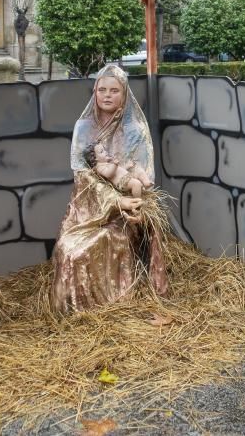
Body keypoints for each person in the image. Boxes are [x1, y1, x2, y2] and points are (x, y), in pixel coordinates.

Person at [51, 64, 168, 313]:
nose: (107, 95)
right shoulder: (83, 128)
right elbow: (81, 175)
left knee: (99, 245)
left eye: (114, 90)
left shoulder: (136, 130)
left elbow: (144, 176)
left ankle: (116, 308)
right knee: (68, 249)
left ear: (124, 95)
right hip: (88, 209)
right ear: (94, 92)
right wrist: (114, 201)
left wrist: (132, 205)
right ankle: (77, 313)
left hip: (124, 215)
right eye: (102, 89)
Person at [83, 141, 152, 199]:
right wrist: (115, 165)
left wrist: (127, 166)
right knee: (136, 184)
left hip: (127, 176)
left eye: (104, 150)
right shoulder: (99, 167)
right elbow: (108, 174)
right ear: (95, 158)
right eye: (102, 152)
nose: (105, 152)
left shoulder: (107, 163)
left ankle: (146, 183)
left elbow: (119, 171)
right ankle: (137, 201)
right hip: (122, 182)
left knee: (139, 170)